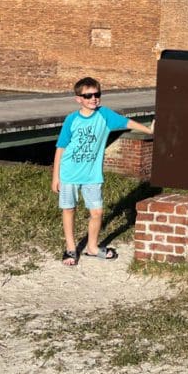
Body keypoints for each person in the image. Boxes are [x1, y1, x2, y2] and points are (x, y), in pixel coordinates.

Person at [52, 77, 153, 265]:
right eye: (88, 95)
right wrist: (55, 176)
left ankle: (92, 247)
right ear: (78, 99)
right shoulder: (72, 119)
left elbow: (128, 123)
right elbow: (61, 147)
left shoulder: (105, 115)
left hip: (92, 175)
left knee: (97, 212)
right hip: (69, 173)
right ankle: (71, 249)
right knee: (69, 209)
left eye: (96, 94)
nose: (93, 98)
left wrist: (150, 131)